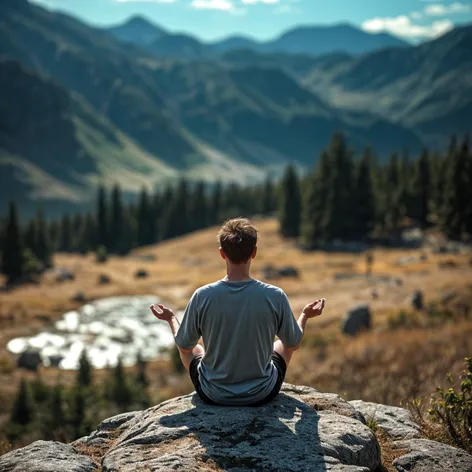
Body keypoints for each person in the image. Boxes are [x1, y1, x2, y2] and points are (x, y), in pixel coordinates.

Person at [150, 218, 325, 406]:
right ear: (254, 252)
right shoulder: (275, 296)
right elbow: (293, 343)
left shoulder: (203, 296)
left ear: (222, 253)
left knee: (195, 349)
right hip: (262, 394)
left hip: (213, 395)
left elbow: (184, 346)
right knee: (281, 346)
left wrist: (171, 319)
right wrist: (305, 316)